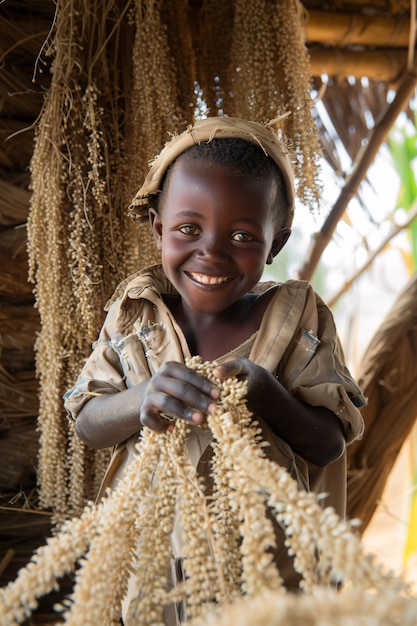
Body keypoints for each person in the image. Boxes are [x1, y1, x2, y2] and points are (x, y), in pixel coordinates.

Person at [64, 116, 365, 623]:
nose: (212, 250)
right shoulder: (134, 313)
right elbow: (88, 420)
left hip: (269, 580)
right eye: (188, 228)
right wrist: (142, 398)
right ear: (159, 228)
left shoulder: (298, 319)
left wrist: (267, 393)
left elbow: (329, 441)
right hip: (155, 577)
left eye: (244, 235)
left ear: (277, 242)